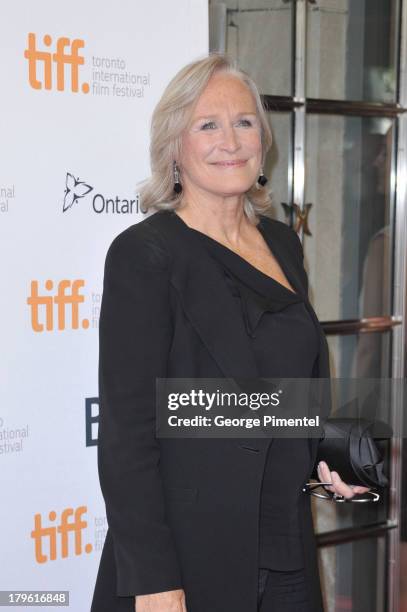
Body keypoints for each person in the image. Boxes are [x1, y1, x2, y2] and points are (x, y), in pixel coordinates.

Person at [90, 54, 370, 612]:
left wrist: (338, 455)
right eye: (207, 124)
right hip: (191, 558)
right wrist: (153, 580)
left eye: (244, 122)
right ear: (174, 148)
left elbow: (291, 387)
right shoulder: (145, 255)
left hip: (286, 543)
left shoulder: (282, 243)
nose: (231, 140)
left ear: (263, 139)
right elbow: (127, 435)